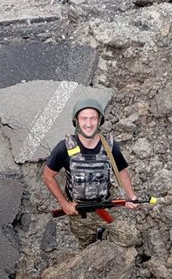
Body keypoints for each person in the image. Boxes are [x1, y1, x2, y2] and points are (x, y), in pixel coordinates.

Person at [43, 97, 141, 248]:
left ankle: (103, 233)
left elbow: (121, 170)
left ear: (99, 120)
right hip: (79, 210)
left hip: (105, 204)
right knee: (86, 243)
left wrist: (131, 196)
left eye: (93, 118)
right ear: (76, 120)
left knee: (129, 238)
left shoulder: (109, 146)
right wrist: (64, 204)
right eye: (84, 118)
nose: (88, 124)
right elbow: (48, 176)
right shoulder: (64, 148)